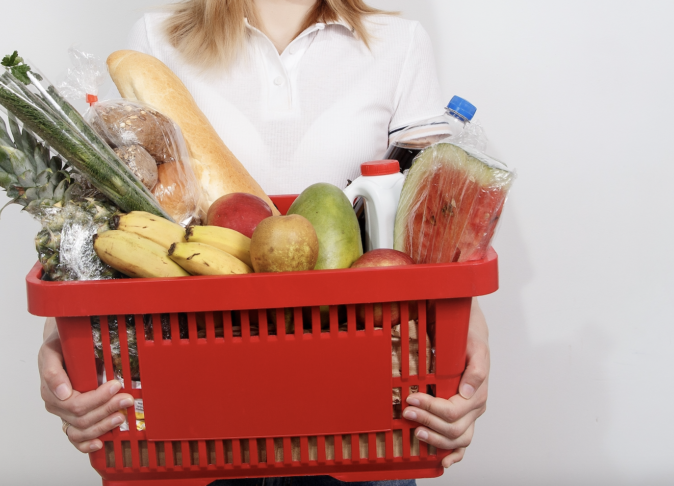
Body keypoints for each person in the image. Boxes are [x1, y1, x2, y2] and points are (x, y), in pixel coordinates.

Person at [38, 0, 490, 483]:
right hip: (196, 399)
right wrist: (62, 345)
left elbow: (432, 232)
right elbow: (123, 216)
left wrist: (472, 349)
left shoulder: (397, 45)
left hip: (359, 398)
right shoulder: (156, 40)